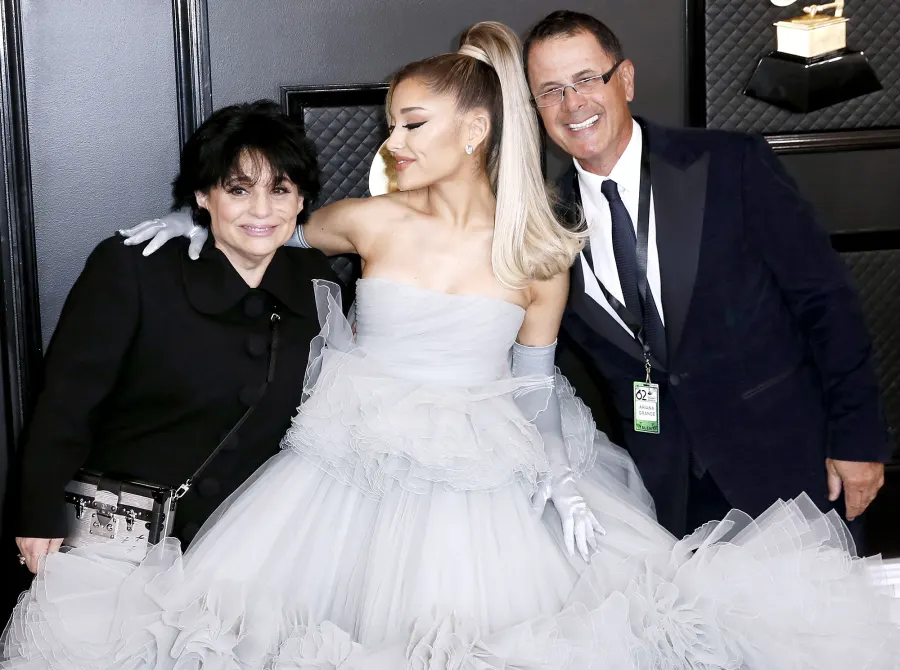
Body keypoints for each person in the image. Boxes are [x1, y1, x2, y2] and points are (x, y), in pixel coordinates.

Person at [15, 20, 897, 670]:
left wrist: (560, 485)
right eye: (394, 125)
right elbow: (264, 223)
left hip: (487, 475)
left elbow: (534, 384)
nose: (390, 144)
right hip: (348, 465)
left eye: (410, 125)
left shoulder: (540, 248)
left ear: (474, 131)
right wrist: (186, 214)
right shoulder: (365, 219)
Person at [523, 10, 892, 538]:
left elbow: (827, 303)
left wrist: (858, 441)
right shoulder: (543, 222)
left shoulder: (730, 164)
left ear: (625, 79)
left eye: (587, 79)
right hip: (666, 495)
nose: (572, 103)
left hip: (790, 469)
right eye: (551, 90)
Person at [10, 100, 348, 574]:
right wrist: (40, 513)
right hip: (127, 548)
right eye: (238, 189)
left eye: (281, 190)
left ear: (300, 201)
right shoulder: (134, 269)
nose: (261, 210)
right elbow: (67, 401)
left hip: (253, 558)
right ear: (204, 196)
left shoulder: (315, 284)